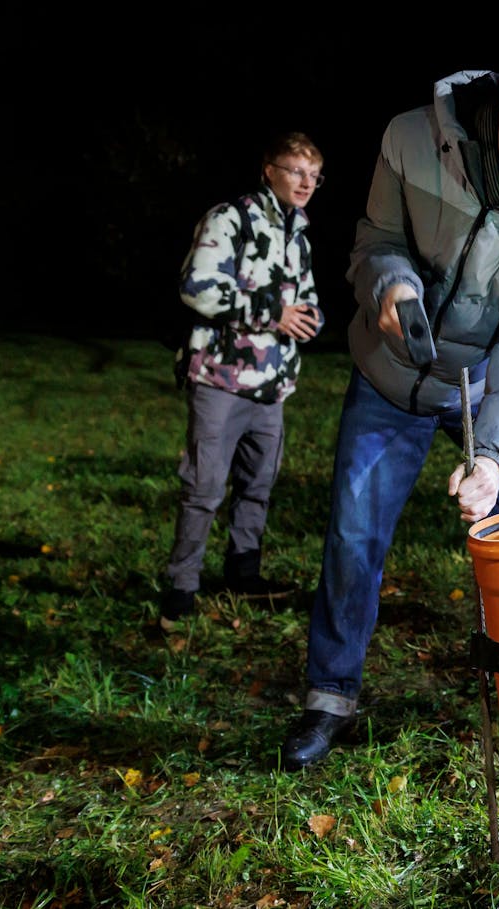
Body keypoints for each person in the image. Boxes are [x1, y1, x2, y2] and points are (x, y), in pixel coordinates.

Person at [279, 38, 499, 770]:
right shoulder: (412, 138)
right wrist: (391, 288)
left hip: (490, 389)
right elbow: (374, 240)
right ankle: (330, 696)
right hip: (393, 374)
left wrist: (497, 457)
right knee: (353, 535)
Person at [160, 132, 326, 630]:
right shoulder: (230, 219)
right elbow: (197, 289)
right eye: (296, 170)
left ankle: (242, 573)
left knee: (258, 485)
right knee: (204, 487)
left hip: (272, 385)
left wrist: (310, 317)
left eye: (315, 176)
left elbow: (308, 296)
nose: (306, 183)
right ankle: (180, 590)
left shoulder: (298, 232)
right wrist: (275, 314)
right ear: (268, 169)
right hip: (219, 377)